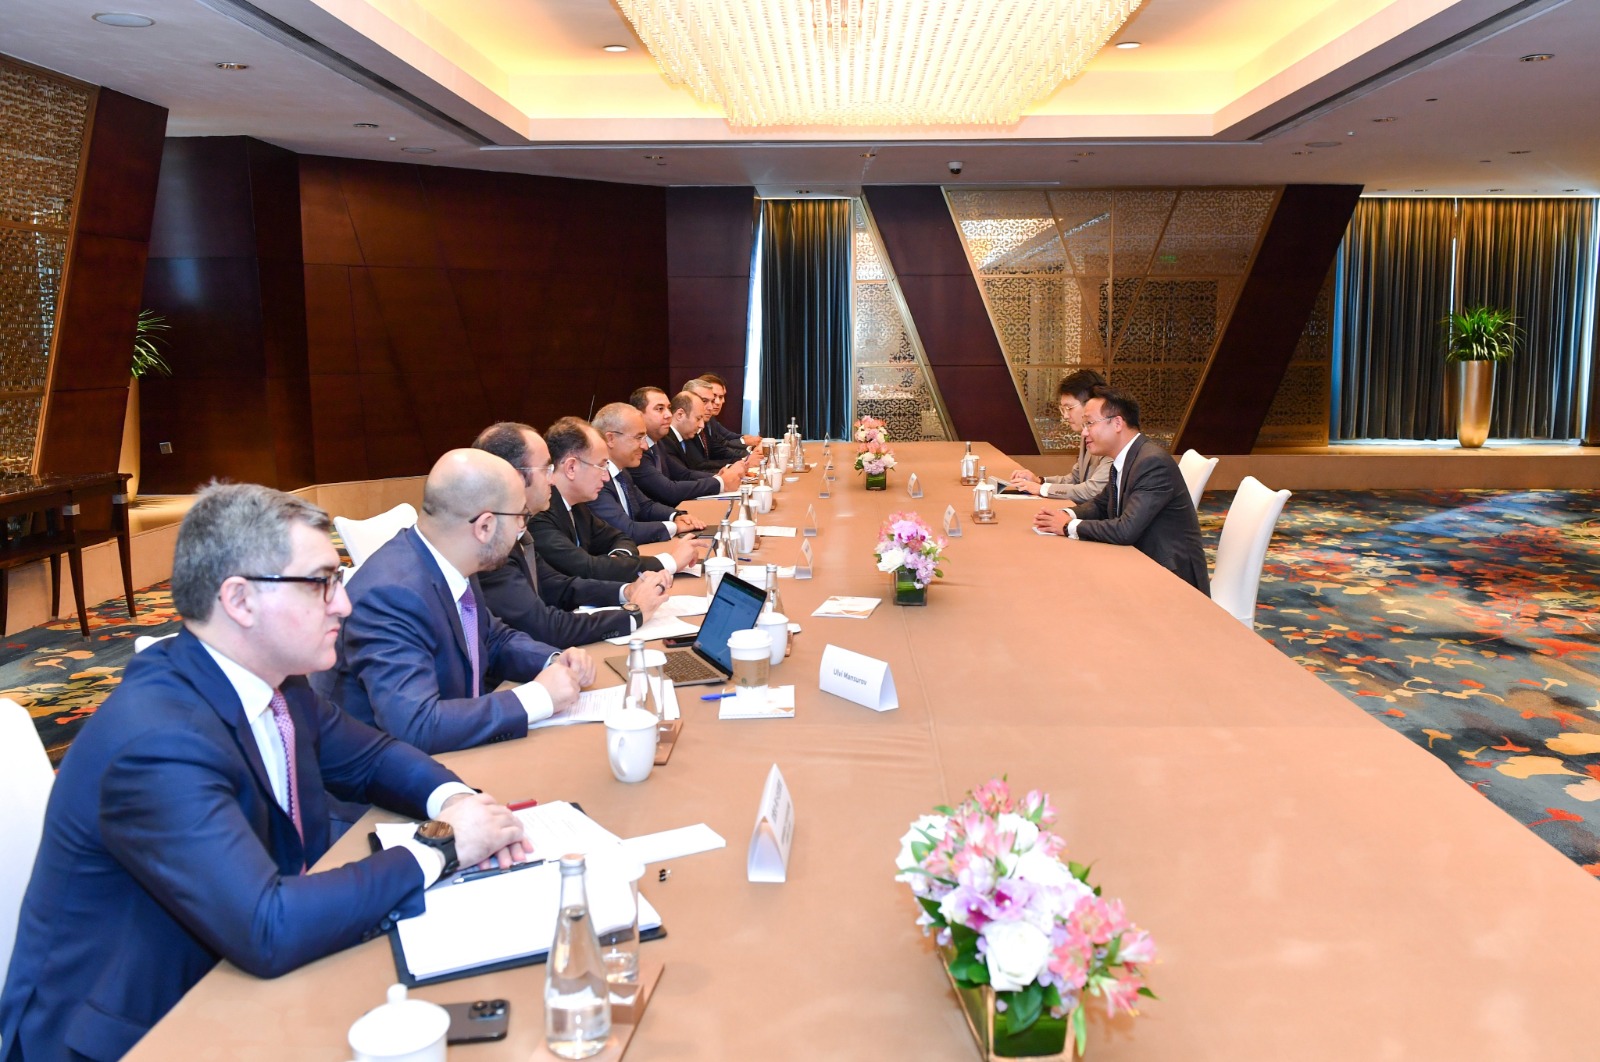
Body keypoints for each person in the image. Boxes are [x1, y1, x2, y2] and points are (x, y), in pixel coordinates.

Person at [0, 484, 529, 1062]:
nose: (343, 604)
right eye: (321, 583)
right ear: (240, 600)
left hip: (241, 977)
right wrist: (441, 848)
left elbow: (372, 758)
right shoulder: (156, 742)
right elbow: (267, 926)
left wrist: (453, 800)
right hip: (140, 1029)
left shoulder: (276, 681)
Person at [313, 449, 595, 754]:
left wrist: (552, 660)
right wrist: (538, 698)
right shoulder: (390, 595)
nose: (521, 528)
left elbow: (493, 638)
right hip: (384, 774)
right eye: (520, 516)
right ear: (484, 526)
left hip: (456, 751)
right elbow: (417, 725)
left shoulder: (451, 557)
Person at [471, 421, 673, 646]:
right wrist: (633, 613)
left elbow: (559, 586)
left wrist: (627, 590)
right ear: (515, 478)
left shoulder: (518, 532)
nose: (552, 479)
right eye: (546, 470)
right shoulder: (490, 547)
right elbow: (545, 627)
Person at [1032, 387, 1210, 594]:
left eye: (1089, 423)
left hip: (1171, 577)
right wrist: (1065, 514)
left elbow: (1126, 530)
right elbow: (1100, 505)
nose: (1084, 432)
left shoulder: (1152, 462)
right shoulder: (1125, 458)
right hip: (1140, 560)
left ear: (1117, 423)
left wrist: (1067, 526)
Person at [530, 416, 704, 582]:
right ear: (571, 468)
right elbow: (588, 568)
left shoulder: (577, 506)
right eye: (601, 466)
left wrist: (619, 560)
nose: (606, 477)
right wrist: (670, 561)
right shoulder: (539, 515)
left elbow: (620, 537)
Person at [587, 401, 705, 544]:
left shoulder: (622, 472)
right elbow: (626, 530)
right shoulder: (597, 480)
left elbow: (645, 506)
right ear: (610, 439)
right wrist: (675, 527)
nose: (644, 446)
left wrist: (675, 516)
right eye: (638, 438)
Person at [1007, 369, 1111, 503]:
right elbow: (1075, 479)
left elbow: (1092, 490)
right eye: (1063, 409)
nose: (1065, 416)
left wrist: (1042, 489)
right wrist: (1039, 480)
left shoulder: (1110, 440)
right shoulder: (1086, 434)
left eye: (1069, 408)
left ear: (1092, 403)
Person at [628, 386, 741, 505]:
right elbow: (669, 490)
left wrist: (718, 477)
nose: (668, 414)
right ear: (638, 414)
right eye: (660, 409)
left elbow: (684, 474)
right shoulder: (635, 451)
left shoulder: (658, 442)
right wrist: (720, 482)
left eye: (668, 408)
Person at [683, 377, 750, 465]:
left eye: (712, 401)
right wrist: (745, 460)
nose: (711, 406)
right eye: (704, 401)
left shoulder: (708, 422)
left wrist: (747, 458)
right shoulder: (684, 430)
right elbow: (698, 465)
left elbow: (718, 448)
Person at [695, 372, 762, 453]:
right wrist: (746, 445)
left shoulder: (711, 419)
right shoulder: (694, 424)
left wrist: (749, 445)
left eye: (721, 397)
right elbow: (720, 448)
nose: (720, 402)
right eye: (714, 396)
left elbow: (726, 439)